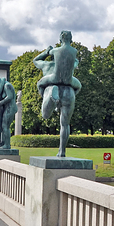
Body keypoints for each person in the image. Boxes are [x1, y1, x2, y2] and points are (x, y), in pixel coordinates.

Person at [33, 30, 82, 158]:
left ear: (60, 39)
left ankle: (50, 99)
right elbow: (75, 62)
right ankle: (62, 151)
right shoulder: (72, 56)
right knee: (65, 124)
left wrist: (46, 52)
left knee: (44, 112)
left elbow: (35, 61)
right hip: (69, 88)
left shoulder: (46, 65)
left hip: (52, 84)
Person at [0, 76, 17, 149]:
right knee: (3, 127)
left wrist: (0, 102)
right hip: (6, 108)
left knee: (5, 126)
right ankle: (2, 145)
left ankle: (7, 145)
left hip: (10, 108)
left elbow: (10, 97)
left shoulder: (7, 85)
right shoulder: (4, 85)